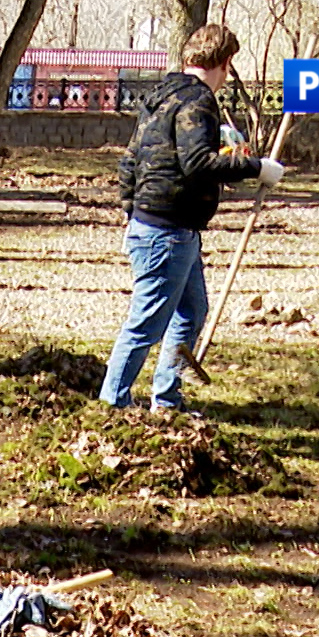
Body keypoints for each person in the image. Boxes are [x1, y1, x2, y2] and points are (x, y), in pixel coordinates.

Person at [100, 24, 285, 413]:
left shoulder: (162, 95)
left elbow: (130, 160)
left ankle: (167, 399)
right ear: (224, 62)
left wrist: (130, 212)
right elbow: (198, 163)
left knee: (191, 311)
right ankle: (111, 406)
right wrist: (255, 167)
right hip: (167, 231)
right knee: (146, 323)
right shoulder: (199, 100)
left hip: (165, 227)